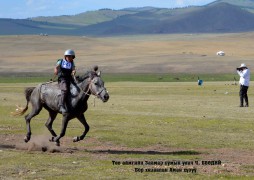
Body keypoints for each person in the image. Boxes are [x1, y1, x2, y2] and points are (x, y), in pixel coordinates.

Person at [54, 49, 76, 113]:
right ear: (65, 56)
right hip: (62, 78)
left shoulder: (72, 62)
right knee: (65, 89)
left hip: (69, 77)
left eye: (71, 56)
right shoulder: (60, 61)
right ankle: (61, 105)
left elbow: (73, 69)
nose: (70, 58)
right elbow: (56, 67)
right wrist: (56, 70)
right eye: (68, 56)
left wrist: (74, 71)